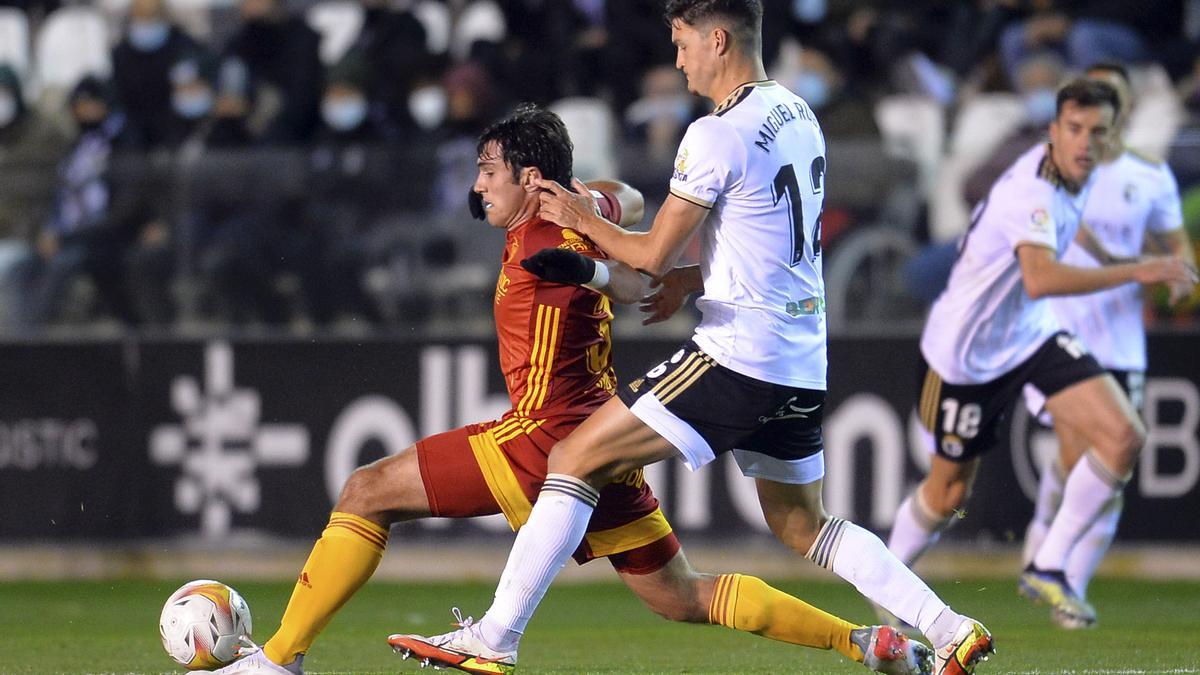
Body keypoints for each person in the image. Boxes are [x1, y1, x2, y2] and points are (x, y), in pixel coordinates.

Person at [200, 104, 931, 675]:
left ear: (528, 179)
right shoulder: (580, 212)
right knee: (684, 596)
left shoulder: (546, 248)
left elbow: (631, 272)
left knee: (365, 490)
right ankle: (866, 641)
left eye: (489, 169)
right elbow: (634, 199)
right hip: (602, 438)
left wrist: (594, 264)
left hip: (546, 438)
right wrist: (587, 202)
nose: (477, 183)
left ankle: (280, 654)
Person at [391, 3, 992, 675]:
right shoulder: (797, 114)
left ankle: (496, 636)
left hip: (738, 351)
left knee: (572, 455)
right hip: (799, 354)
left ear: (717, 38)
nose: (677, 60)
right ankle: (950, 626)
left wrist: (583, 217)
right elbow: (771, 238)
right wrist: (693, 274)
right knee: (804, 525)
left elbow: (643, 255)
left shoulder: (715, 134)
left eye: (681, 44)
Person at [883, 77, 1197, 630]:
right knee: (948, 491)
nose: (1084, 142)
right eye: (1074, 129)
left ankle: (1049, 564)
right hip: (966, 354)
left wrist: (1124, 254)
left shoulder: (1078, 177)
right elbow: (1041, 277)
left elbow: (1067, 248)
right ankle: (884, 587)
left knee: (1123, 435)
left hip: (1029, 335)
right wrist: (1139, 269)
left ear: (1110, 138)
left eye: (1096, 132)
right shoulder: (1035, 188)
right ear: (1053, 131)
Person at [1016, 62, 1196, 628]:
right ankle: (1054, 572)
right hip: (1059, 335)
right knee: (1085, 459)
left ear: (1123, 112)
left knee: (1103, 476)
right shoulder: (1056, 174)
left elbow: (1180, 259)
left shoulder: (1150, 177)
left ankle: (1057, 570)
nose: (1095, 124)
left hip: (1123, 346)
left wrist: (1178, 286)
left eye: (1108, 105)